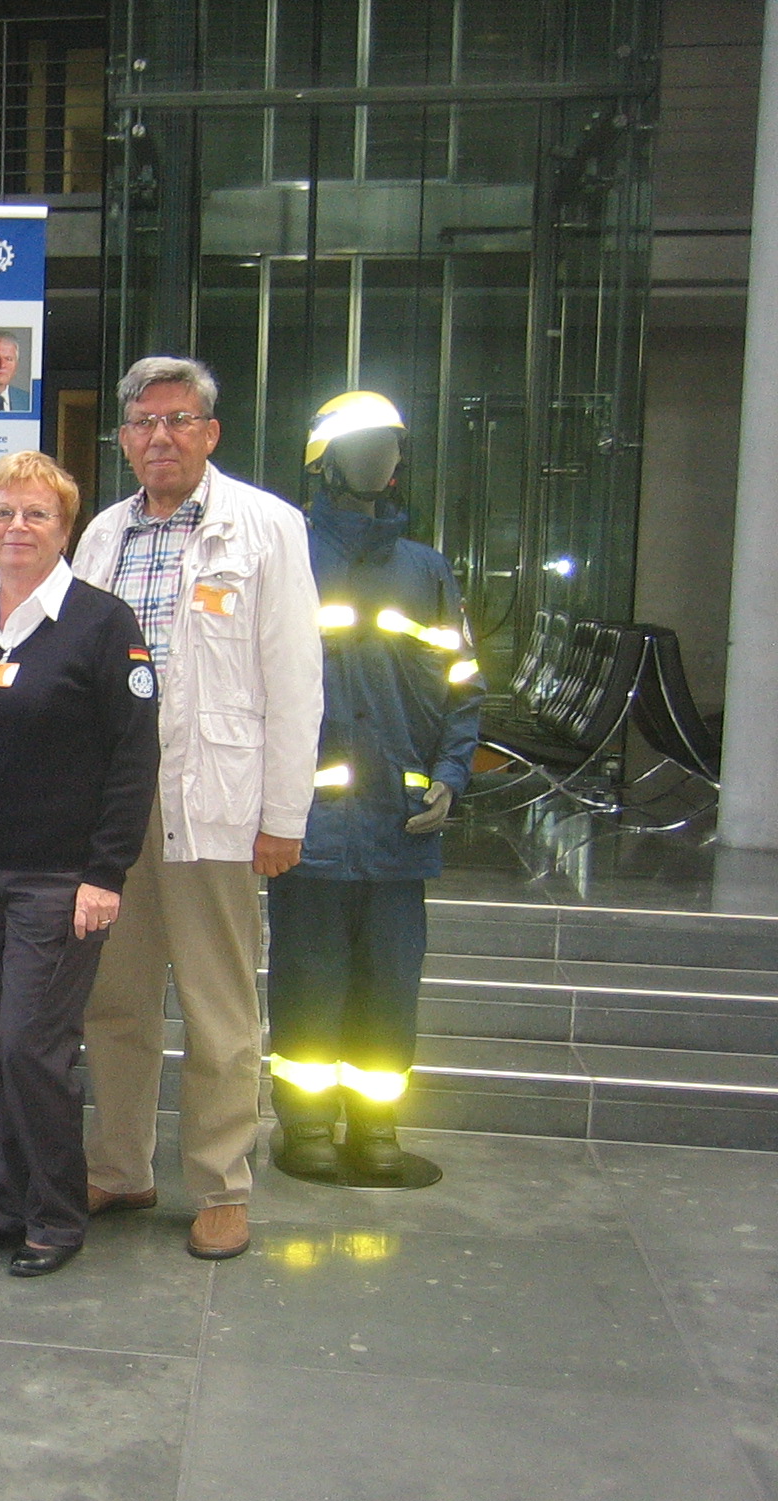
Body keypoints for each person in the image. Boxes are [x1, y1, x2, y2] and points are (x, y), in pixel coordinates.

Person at [72, 355, 323, 1261]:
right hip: (113, 809)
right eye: (143, 422)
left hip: (215, 801)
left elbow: (296, 679)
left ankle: (221, 1185)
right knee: (115, 1000)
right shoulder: (102, 535)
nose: (160, 437)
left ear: (210, 433)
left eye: (178, 420)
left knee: (219, 1008)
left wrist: (284, 815)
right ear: (124, 439)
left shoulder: (265, 527)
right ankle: (119, 1167)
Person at [0, 451, 160, 1277]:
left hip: (59, 880)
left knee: (32, 1047)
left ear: (65, 529)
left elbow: (133, 760)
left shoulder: (103, 624)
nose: (18, 527)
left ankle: (57, 1215)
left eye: (37, 514)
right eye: (4, 513)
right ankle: (7, 1203)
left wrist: (106, 874)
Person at [267, 392, 483, 1179]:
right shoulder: (284, 557)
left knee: (390, 990)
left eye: (388, 446)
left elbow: (461, 687)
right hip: (309, 826)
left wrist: (451, 777)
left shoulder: (425, 571)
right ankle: (305, 1128)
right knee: (307, 983)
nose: (378, 459)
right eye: (362, 446)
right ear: (324, 460)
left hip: (398, 825)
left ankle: (376, 1129)